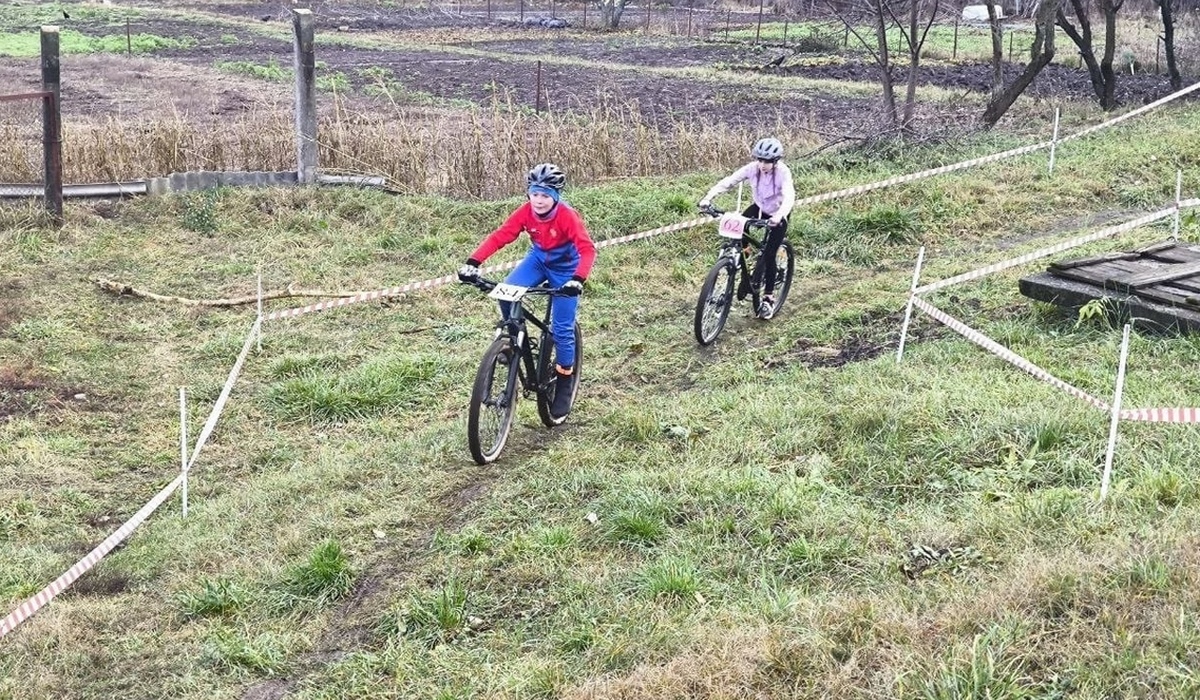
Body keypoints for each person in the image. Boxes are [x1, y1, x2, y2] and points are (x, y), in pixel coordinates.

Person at [457, 163, 596, 420]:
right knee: (504, 292)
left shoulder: (567, 216)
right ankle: (512, 342)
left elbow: (587, 249)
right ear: (528, 194)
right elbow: (502, 235)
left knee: (561, 329)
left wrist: (578, 279)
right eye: (535, 194)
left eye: (545, 195)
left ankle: (565, 379)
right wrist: (473, 262)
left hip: (566, 269)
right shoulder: (525, 212)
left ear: (555, 197)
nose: (539, 201)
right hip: (538, 260)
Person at [698, 137, 796, 320]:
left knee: (769, 254)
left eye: (767, 161)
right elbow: (729, 181)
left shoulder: (783, 172)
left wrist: (779, 216)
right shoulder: (752, 169)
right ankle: (744, 255)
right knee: (739, 228)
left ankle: (768, 298)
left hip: (778, 213)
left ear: (775, 161)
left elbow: (789, 195)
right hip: (759, 208)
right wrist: (707, 198)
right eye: (759, 159)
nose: (762, 164)